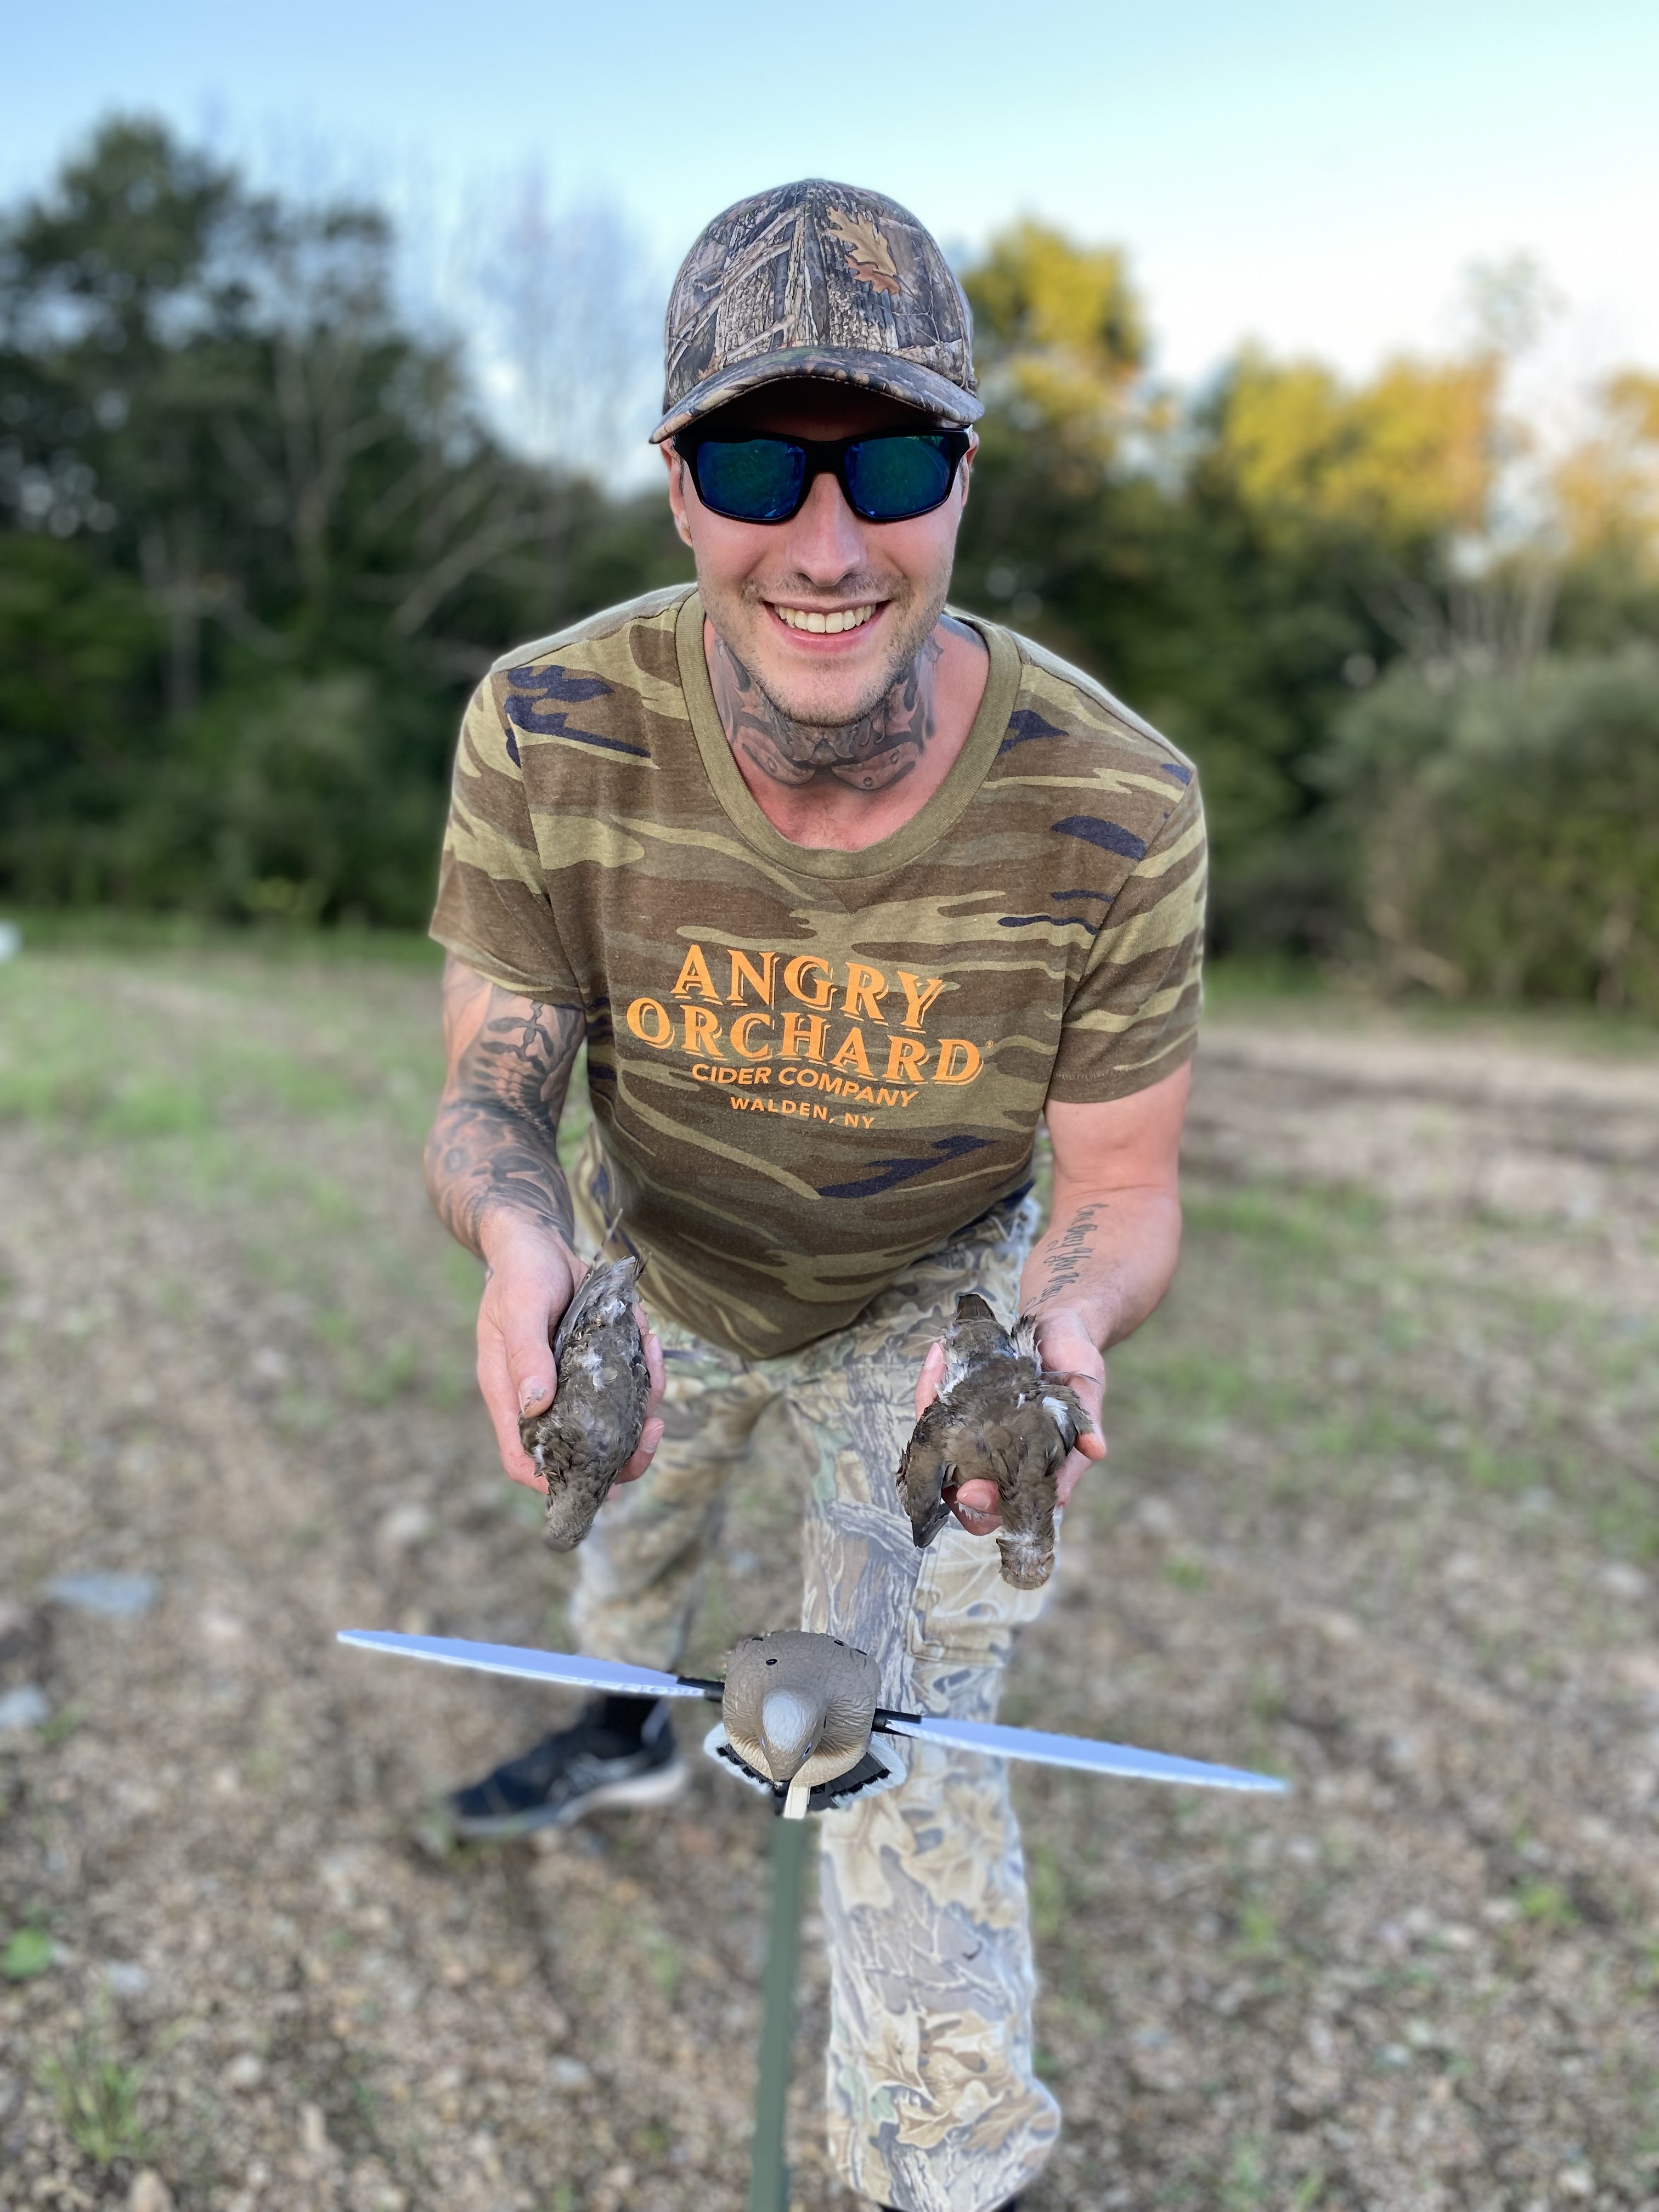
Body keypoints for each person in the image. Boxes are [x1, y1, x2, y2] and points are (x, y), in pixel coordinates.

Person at [423, 179, 1204, 2212]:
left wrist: (1059, 1331)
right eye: (766, 459)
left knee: (897, 1736)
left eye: (897, 461)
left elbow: (1118, 1185)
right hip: (653, 1263)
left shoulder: (1116, 802)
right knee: (617, 1552)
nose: (831, 540)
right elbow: (493, 1087)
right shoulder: (548, 725)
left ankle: (940, 2170)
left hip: (928, 1317)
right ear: (681, 482)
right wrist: (527, 1250)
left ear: (964, 477)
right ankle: (619, 1721)